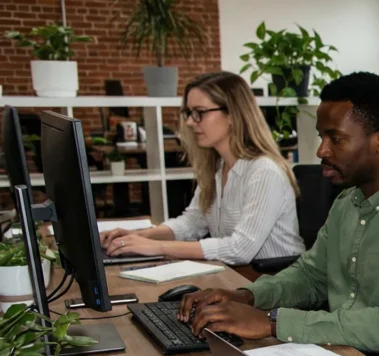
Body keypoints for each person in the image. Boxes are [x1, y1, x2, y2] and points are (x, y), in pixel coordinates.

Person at [178, 72, 379, 356]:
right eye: (322, 137)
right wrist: (247, 296)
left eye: (336, 138)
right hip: (338, 351)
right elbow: (311, 276)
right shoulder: (348, 201)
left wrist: (271, 322)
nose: (321, 150)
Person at [101, 72, 304, 265]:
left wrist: (156, 247)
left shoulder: (264, 171)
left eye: (200, 113)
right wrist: (139, 235)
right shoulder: (218, 166)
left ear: (232, 114)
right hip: (236, 278)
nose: (190, 122)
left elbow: (240, 249)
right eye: (189, 113)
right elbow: (193, 222)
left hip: (274, 284)